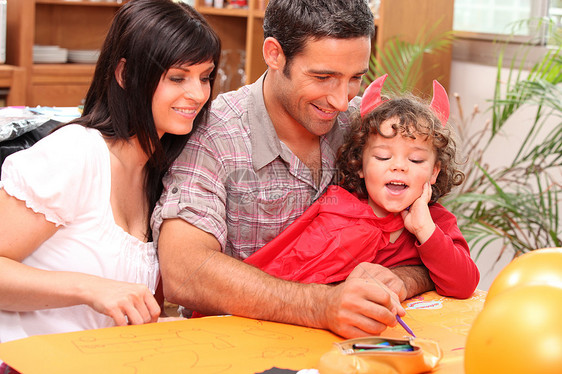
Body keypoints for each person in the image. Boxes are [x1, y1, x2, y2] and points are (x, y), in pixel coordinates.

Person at [153, 0, 434, 339]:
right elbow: (184, 271)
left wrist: (402, 280)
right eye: (323, 77)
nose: (342, 101)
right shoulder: (214, 134)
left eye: (355, 78)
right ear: (274, 54)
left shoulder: (371, 128)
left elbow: (437, 242)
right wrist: (320, 306)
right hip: (233, 348)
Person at [0, 0, 220, 346]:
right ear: (125, 74)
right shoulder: (76, 153)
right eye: (177, 77)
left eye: (205, 77)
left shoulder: (162, 172)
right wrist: (90, 289)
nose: (197, 94)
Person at [245, 74, 480, 299]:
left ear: (434, 172)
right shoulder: (338, 212)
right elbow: (291, 276)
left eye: (415, 160)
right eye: (382, 157)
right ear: (360, 165)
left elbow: (464, 285)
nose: (399, 167)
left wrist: (424, 229)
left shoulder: (437, 222)